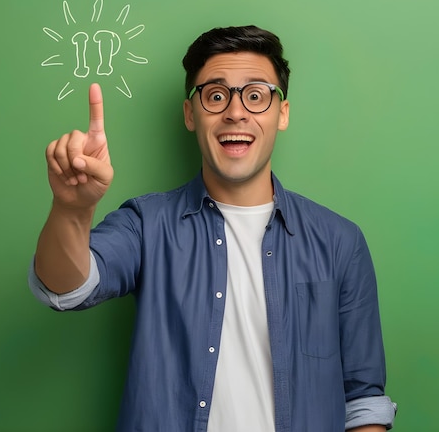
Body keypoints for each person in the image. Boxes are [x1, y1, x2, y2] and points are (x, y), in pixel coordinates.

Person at [29, 25, 397, 432]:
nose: (235, 112)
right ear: (191, 114)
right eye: (216, 95)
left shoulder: (341, 242)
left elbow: (364, 402)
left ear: (282, 113)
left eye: (256, 95)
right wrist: (72, 209)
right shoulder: (147, 224)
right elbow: (66, 288)